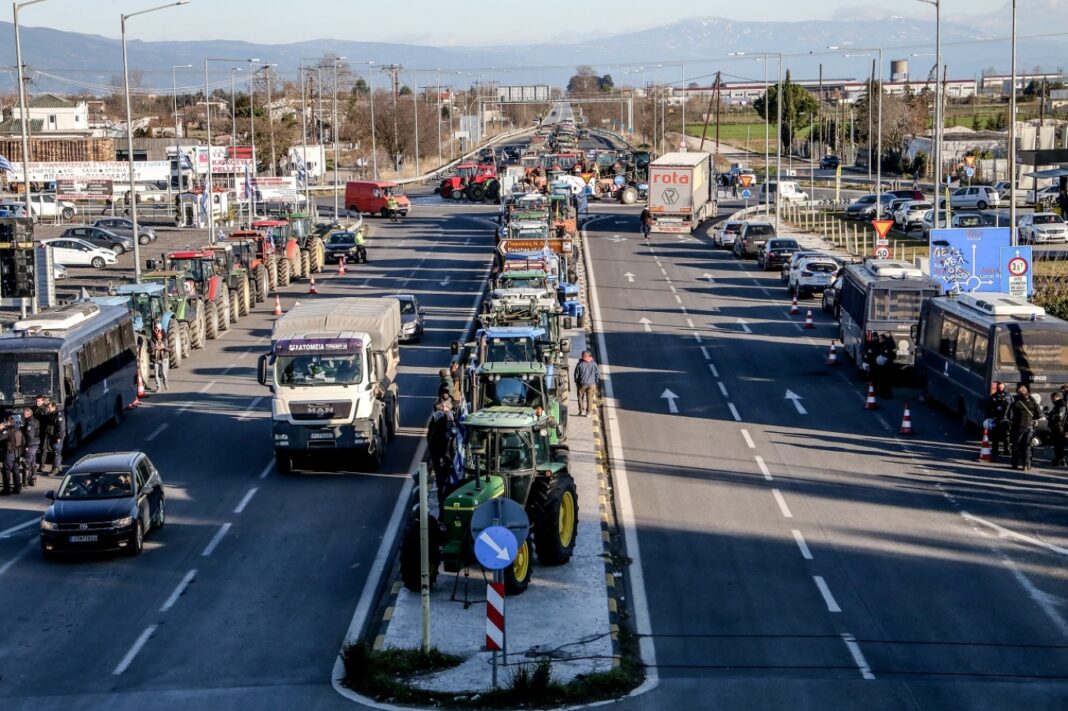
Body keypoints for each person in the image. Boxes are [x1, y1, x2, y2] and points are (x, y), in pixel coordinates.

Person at [426, 401, 456, 507]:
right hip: (442, 457)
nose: (443, 409)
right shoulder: (439, 420)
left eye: (445, 407)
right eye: (442, 407)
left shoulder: (452, 420)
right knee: (443, 483)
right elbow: (433, 438)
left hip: (446, 458)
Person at [1009, 384, 1042, 471]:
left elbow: (1010, 415)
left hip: (1018, 428)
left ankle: (1014, 464)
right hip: (1029, 428)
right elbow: (1039, 415)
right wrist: (1033, 418)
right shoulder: (1033, 404)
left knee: (1016, 446)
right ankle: (1026, 465)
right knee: (1027, 446)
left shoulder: (1016, 404)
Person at [985, 381, 1012, 459]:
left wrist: (1010, 418)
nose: (1001, 388)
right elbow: (989, 407)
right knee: (995, 435)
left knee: (1006, 436)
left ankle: (1007, 450)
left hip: (1005, 419)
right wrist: (991, 416)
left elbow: (1011, 408)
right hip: (996, 418)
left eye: (1002, 387)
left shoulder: (1008, 396)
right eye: (999, 387)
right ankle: (995, 450)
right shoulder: (994, 396)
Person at [2, 416, 24, 495]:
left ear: (9, 422)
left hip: (9, 453)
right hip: (17, 453)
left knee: (6, 471)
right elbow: (23, 442)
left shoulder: (7, 430)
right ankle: (17, 488)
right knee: (16, 471)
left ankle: (7, 490)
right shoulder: (18, 430)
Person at [574, 350, 600, 417]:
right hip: (591, 385)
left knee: (580, 397)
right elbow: (597, 374)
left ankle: (581, 411)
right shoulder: (594, 364)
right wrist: (596, 382)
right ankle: (588, 413)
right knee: (590, 398)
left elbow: (576, 375)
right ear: (589, 356)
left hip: (581, 384)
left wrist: (577, 382)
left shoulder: (579, 364)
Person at [21, 407, 39, 488]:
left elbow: (29, 436)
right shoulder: (35, 420)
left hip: (30, 445)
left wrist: (27, 446)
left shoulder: (29, 423)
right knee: (33, 462)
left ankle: (25, 481)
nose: (23, 414)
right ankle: (33, 478)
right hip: (35, 444)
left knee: (26, 463)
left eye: (24, 413)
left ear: (28, 413)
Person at [1049, 391, 1067, 466]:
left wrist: (1052, 417)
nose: (1051, 400)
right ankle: (1059, 458)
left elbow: (1060, 416)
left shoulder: (1061, 404)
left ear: (1055, 397)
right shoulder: (1058, 404)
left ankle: (1061, 459)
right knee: (1058, 445)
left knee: (1059, 445)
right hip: (1057, 427)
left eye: (1052, 399)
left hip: (1059, 427)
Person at [876, 334, 896, 399]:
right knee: (885, 381)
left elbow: (891, 355)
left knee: (884, 381)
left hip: (885, 367)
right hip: (886, 367)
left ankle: (884, 393)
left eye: (880, 339)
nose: (879, 340)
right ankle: (885, 393)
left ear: (883, 339)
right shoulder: (884, 345)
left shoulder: (885, 346)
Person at [48, 401, 65, 475]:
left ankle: (56, 469)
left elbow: (61, 427)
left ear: (54, 407)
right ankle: (58, 466)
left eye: (49, 408)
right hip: (53, 435)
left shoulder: (59, 415)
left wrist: (59, 437)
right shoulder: (52, 414)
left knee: (56, 452)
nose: (48, 409)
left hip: (57, 437)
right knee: (56, 452)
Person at [151, 325, 169, 392]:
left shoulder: (165, 339)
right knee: (156, 374)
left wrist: (163, 348)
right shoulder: (152, 340)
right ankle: (159, 387)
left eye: (157, 328)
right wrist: (153, 348)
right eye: (155, 328)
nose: (156, 330)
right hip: (155, 359)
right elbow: (149, 349)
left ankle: (165, 383)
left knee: (164, 373)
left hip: (163, 358)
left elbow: (169, 348)